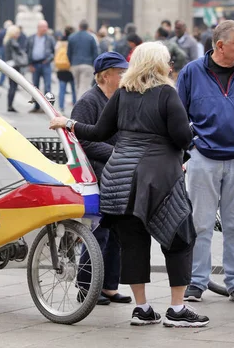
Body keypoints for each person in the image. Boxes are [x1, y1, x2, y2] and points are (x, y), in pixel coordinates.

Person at [50, 42, 209, 328]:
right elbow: (182, 138)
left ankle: (143, 308)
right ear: (159, 64)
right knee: (180, 239)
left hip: (119, 180)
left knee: (133, 244)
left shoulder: (123, 94)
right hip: (159, 179)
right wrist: (193, 131)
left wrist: (68, 123)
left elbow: (99, 131)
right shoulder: (167, 95)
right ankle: (177, 308)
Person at [178, 20, 234, 304]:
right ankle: (196, 281)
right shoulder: (192, 72)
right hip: (203, 157)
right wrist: (191, 145)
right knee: (200, 222)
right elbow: (179, 114)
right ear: (220, 46)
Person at [73, 51, 131, 306]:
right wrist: (116, 154)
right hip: (98, 174)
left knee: (117, 232)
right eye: (121, 72)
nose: (125, 76)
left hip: (118, 173)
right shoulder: (89, 101)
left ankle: (109, 287)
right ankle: (85, 287)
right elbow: (82, 140)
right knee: (99, 232)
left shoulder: (121, 98)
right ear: (105, 76)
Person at [26, 20, 56, 112]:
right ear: (38, 28)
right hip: (35, 64)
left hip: (45, 64)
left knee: (47, 86)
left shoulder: (50, 38)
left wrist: (49, 59)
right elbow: (27, 51)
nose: (45, 29)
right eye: (43, 27)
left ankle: (48, 108)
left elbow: (53, 51)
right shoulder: (31, 38)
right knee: (35, 87)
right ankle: (36, 107)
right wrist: (30, 64)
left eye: (46, 27)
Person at [67, 20, 98, 99]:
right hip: (87, 65)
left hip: (75, 64)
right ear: (87, 28)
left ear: (79, 27)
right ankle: (81, 106)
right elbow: (95, 53)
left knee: (77, 86)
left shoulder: (72, 37)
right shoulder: (91, 38)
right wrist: (95, 65)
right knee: (84, 87)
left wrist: (71, 63)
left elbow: (68, 53)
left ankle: (78, 103)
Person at [3, 25, 26, 112]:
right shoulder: (12, 41)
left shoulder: (7, 41)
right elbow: (19, 50)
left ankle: (9, 105)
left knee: (11, 86)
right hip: (14, 65)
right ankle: (10, 106)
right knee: (13, 86)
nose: (19, 35)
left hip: (9, 64)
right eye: (17, 33)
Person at [55, 26, 76, 113]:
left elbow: (55, 53)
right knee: (74, 89)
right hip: (71, 67)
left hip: (61, 68)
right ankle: (75, 104)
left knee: (62, 89)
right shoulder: (74, 42)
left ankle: (61, 106)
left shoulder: (60, 42)